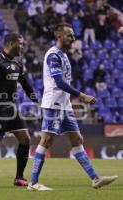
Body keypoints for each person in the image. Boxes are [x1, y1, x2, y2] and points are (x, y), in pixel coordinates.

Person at [27, 23, 118, 191]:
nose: (73, 38)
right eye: (70, 35)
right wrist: (82, 95)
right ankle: (33, 182)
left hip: (64, 104)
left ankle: (95, 178)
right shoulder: (53, 55)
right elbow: (60, 82)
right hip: (53, 103)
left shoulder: (64, 55)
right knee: (46, 140)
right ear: (60, 36)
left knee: (77, 139)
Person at [0, 33, 39, 188]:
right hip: (0, 108)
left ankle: (19, 177)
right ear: (11, 43)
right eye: (20, 43)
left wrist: (36, 101)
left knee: (25, 139)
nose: (22, 46)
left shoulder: (18, 62)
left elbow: (25, 84)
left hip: (12, 107)